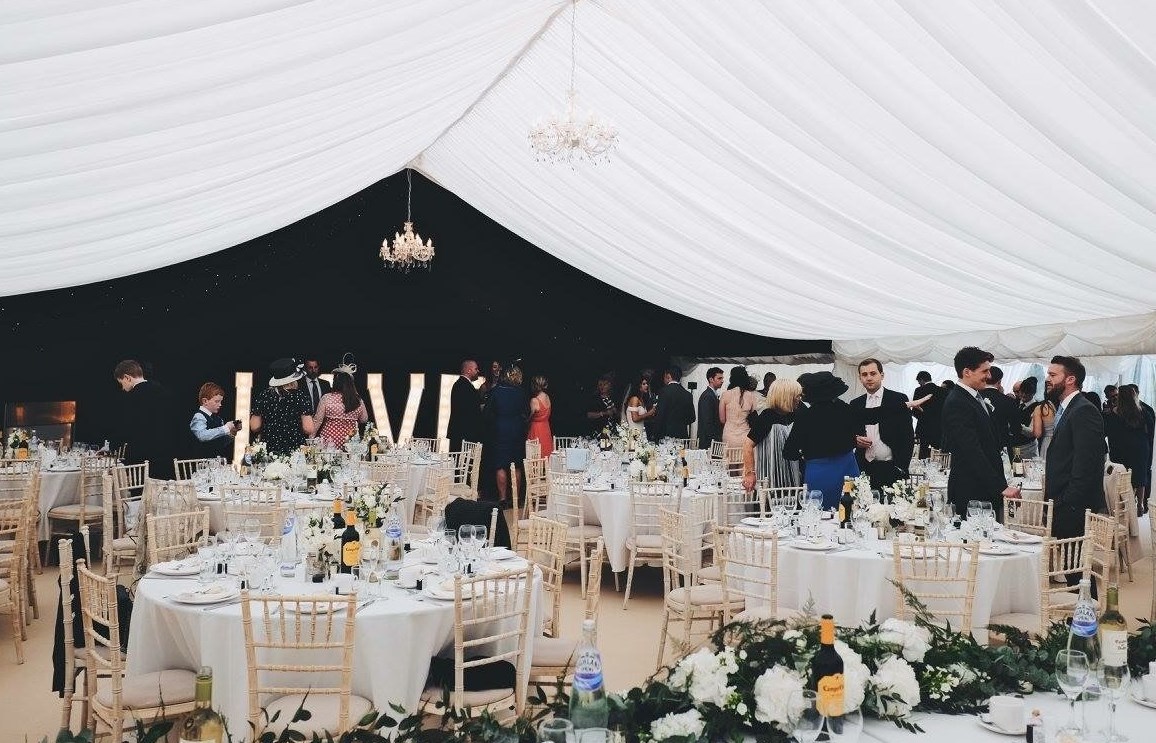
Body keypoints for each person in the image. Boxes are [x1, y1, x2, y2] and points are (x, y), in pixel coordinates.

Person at [940, 347, 1020, 520]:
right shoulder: (957, 402)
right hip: (971, 490)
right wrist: (1000, 486)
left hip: (983, 487)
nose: (989, 376)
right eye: (984, 371)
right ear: (967, 372)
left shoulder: (975, 396)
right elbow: (971, 450)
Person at [1043, 355, 1106, 548]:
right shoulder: (1068, 408)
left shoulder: (1083, 410)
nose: (1047, 379)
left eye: (1053, 375)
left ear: (1070, 379)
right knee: (1066, 562)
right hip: (1064, 502)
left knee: (1074, 564)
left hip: (1074, 506)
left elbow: (1087, 462)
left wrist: (1067, 501)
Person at [783, 371, 859, 509]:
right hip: (847, 467)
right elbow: (857, 434)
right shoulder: (846, 410)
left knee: (820, 513)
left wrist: (804, 454)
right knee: (850, 511)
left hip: (819, 471)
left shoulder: (805, 416)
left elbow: (789, 452)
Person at [850, 358, 914, 490]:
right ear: (860, 378)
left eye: (873, 373)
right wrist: (855, 439)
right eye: (864, 374)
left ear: (882, 375)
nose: (869, 378)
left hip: (892, 468)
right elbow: (850, 432)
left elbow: (907, 436)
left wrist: (901, 467)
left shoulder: (898, 399)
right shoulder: (855, 404)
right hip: (864, 469)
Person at [113, 359, 177, 479]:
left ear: (127, 377)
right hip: (165, 455)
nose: (122, 388)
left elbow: (125, 429)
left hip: (140, 457)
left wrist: (111, 447)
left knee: (140, 490)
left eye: (121, 383)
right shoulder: (164, 391)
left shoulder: (131, 398)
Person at [743, 378, 802, 491]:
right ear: (786, 396)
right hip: (770, 476)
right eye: (796, 395)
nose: (799, 398)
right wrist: (750, 473)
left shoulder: (794, 415)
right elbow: (747, 445)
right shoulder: (767, 417)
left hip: (791, 475)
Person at [249, 358, 314, 457]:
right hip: (294, 450)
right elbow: (308, 428)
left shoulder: (264, 395)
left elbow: (254, 426)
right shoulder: (301, 396)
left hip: (269, 449)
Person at [1104, 384, 1150, 514]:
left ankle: (1124, 506)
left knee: (1122, 478)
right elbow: (1150, 430)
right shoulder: (1142, 412)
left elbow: (1106, 432)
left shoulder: (1112, 414)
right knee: (1140, 477)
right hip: (1140, 449)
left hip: (1120, 450)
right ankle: (1140, 505)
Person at [486, 366, 529, 504]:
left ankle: (503, 499)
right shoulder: (521, 393)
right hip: (517, 430)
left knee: (500, 465)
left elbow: (487, 413)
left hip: (500, 430)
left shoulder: (496, 391)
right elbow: (526, 412)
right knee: (516, 464)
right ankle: (515, 499)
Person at [311, 360, 367, 448]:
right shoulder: (357, 400)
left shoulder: (327, 398)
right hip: (350, 442)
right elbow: (364, 419)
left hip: (329, 442)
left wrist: (310, 438)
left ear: (335, 382)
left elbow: (318, 420)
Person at [979, 365, 1019, 460]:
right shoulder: (1008, 401)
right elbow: (1016, 428)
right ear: (999, 381)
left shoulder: (975, 398)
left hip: (979, 446)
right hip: (1002, 447)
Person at [188, 382, 237, 460]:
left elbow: (221, 442)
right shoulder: (199, 416)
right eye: (217, 401)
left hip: (217, 460)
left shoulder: (219, 419)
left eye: (221, 401)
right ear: (205, 401)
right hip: (201, 462)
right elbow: (202, 435)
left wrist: (232, 432)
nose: (220, 404)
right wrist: (225, 428)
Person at [651, 366, 695, 441]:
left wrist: (655, 435)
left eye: (664, 376)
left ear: (669, 376)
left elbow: (660, 416)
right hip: (682, 435)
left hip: (666, 435)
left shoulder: (664, 391)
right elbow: (692, 418)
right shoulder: (688, 394)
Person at [447, 359, 483, 452]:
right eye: (476, 369)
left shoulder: (461, 385)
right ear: (469, 370)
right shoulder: (463, 386)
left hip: (461, 433)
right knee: (461, 460)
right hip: (464, 435)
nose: (478, 371)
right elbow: (468, 410)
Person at [719, 366, 758, 448]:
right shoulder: (751, 396)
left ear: (732, 378)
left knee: (728, 456)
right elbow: (753, 415)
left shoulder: (725, 395)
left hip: (728, 436)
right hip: (745, 435)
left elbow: (722, 420)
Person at [910, 371, 944, 459]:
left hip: (923, 428)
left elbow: (915, 410)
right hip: (938, 428)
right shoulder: (942, 391)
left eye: (919, 382)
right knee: (937, 455)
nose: (919, 384)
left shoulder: (919, 390)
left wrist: (923, 416)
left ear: (921, 380)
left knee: (923, 454)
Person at [1010, 377, 1039, 459]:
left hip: (1028, 447)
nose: (1023, 395)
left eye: (1027, 393)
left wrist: (1018, 426)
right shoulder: (1014, 402)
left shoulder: (1037, 407)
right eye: (1022, 392)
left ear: (1033, 393)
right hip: (1012, 445)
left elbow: (1032, 432)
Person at [696, 367, 724, 449]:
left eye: (722, 378)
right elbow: (707, 421)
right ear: (711, 379)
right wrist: (715, 439)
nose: (722, 381)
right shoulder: (707, 396)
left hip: (711, 440)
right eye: (719, 378)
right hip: (708, 441)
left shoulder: (711, 395)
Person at [527, 375, 554, 459]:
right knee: (546, 452)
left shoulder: (534, 400)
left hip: (536, 430)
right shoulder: (547, 397)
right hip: (546, 428)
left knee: (536, 455)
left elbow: (529, 417)